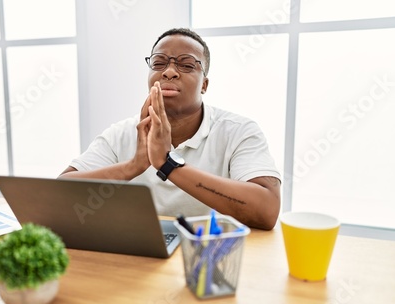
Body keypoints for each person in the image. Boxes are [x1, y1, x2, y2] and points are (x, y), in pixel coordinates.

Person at [59, 28, 281, 230]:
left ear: (204, 85)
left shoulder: (239, 131)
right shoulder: (121, 133)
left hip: (207, 256)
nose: (169, 72)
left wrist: (168, 164)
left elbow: (267, 211)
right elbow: (57, 195)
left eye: (186, 65)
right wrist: (133, 166)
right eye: (159, 63)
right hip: (140, 257)